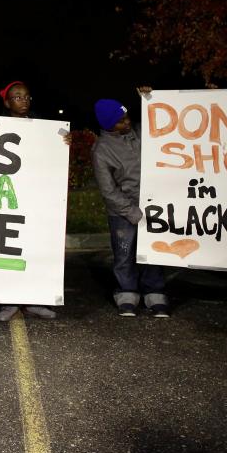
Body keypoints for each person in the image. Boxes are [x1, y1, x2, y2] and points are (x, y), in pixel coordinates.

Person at [91, 95, 170, 318]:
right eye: (121, 121)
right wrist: (132, 212)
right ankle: (127, 293)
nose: (127, 123)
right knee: (124, 254)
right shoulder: (101, 151)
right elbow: (108, 191)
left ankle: (154, 292)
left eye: (127, 118)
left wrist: (150, 98)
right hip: (123, 212)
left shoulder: (140, 132)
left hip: (154, 206)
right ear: (108, 125)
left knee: (153, 252)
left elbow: (163, 121)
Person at [0, 81, 65, 322]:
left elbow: (53, 154)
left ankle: (35, 300)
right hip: (7, 197)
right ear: (7, 102)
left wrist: (63, 142)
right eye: (17, 97)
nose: (23, 100)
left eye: (26, 96)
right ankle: (9, 301)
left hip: (35, 197)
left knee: (34, 249)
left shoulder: (43, 126)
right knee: (8, 249)